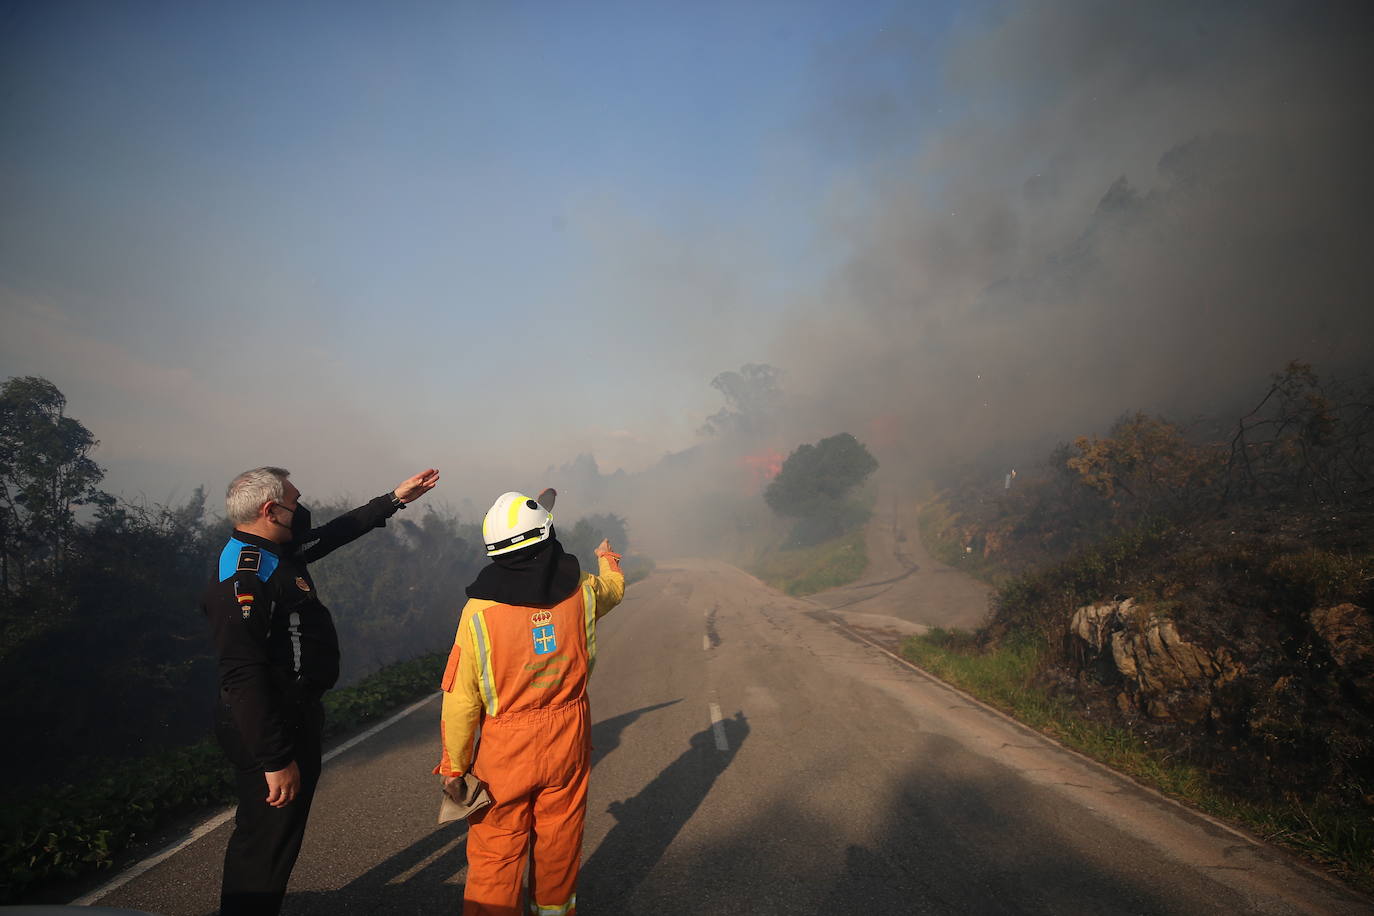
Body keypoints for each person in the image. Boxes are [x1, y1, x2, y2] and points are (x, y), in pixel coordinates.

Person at [204, 465, 439, 916]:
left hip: (292, 712)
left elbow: (331, 534)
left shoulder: (274, 549)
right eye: (295, 502)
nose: (304, 511)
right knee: (265, 844)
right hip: (270, 721)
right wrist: (274, 758)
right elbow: (241, 674)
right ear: (270, 510)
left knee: (277, 838)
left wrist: (395, 499)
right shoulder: (245, 575)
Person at [435, 488, 626, 916]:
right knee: (560, 844)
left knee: (497, 855)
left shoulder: (479, 613)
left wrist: (455, 766)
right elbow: (613, 590)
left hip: (506, 750)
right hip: (568, 737)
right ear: (547, 536)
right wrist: (606, 559)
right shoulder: (582, 590)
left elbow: (461, 700)